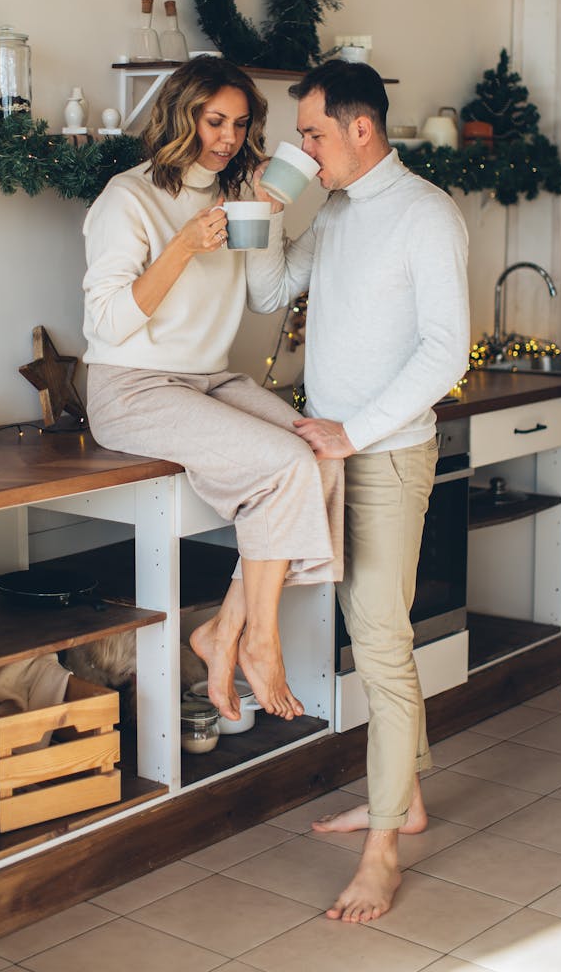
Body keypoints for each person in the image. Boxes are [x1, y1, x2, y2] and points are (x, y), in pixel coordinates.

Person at [247, 59, 469, 923]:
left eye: (311, 133)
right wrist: (265, 212)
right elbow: (270, 289)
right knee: (370, 637)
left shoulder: (426, 215)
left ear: (360, 128)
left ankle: (384, 849)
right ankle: (403, 801)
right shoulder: (334, 209)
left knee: (379, 645)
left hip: (386, 455)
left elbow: (447, 351)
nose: (301, 147)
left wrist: (353, 430)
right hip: (332, 456)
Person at [81, 55, 343, 723]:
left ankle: (225, 630)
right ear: (182, 114)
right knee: (287, 464)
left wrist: (271, 214)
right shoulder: (127, 197)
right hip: (130, 387)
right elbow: (107, 322)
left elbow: (263, 297)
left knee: (322, 449)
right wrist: (182, 246)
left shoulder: (234, 193)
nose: (226, 137)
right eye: (214, 120)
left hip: (205, 379)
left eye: (240, 123)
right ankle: (258, 637)